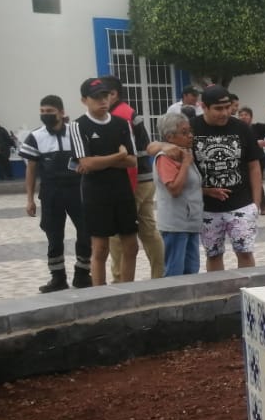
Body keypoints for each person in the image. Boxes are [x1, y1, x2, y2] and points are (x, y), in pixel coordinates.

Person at [185, 85, 265, 271]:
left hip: (241, 204)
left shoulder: (241, 128)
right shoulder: (191, 128)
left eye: (228, 107)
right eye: (218, 109)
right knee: (213, 254)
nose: (225, 113)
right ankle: (219, 296)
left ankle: (248, 293)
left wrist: (256, 203)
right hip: (207, 208)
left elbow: (254, 166)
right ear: (204, 106)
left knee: (245, 252)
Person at [69, 77, 138, 285]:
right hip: (96, 193)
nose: (103, 100)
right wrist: (117, 157)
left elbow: (133, 160)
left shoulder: (121, 123)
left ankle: (128, 288)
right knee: (100, 248)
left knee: (131, 246)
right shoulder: (78, 125)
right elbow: (87, 164)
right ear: (84, 100)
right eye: (97, 97)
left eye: (105, 95)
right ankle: (99, 294)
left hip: (122, 190)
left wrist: (101, 161)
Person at [20, 94, 92, 292]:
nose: (45, 115)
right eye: (42, 112)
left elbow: (88, 159)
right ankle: (58, 278)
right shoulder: (36, 136)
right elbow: (31, 169)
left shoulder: (76, 132)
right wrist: (29, 199)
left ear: (61, 112)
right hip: (51, 192)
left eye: (50, 112)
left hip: (77, 190)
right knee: (54, 236)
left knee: (86, 232)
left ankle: (83, 274)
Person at [100, 76, 164, 281]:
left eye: (102, 95)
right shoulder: (129, 112)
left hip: (131, 181)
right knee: (149, 231)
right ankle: (160, 274)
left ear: (113, 94)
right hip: (145, 179)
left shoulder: (117, 116)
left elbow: (127, 154)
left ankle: (119, 279)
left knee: (119, 234)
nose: (99, 100)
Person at [152, 112, 203, 276]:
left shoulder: (185, 153)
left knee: (192, 269)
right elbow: (174, 189)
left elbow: (191, 186)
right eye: (184, 132)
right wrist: (186, 164)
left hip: (190, 222)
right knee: (175, 271)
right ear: (170, 137)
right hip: (175, 224)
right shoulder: (165, 157)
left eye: (190, 131)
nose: (190, 136)